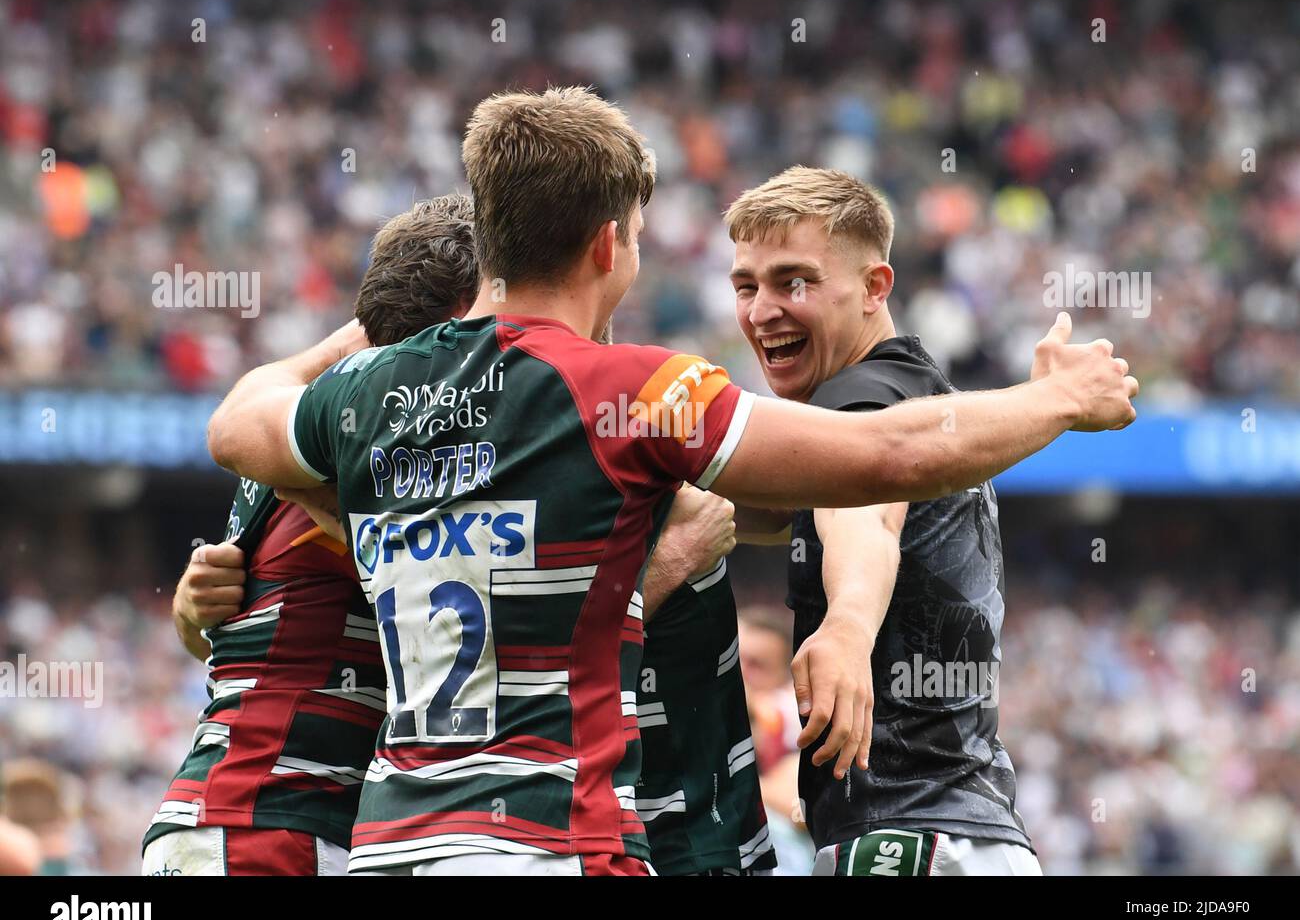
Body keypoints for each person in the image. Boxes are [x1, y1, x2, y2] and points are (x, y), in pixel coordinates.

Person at [204, 86, 1139, 876]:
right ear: (611, 245)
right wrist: (1058, 402)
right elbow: (885, 460)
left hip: (392, 845)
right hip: (553, 838)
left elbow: (236, 424)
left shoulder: (370, 394)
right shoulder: (634, 392)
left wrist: (349, 355)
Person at [143, 197, 479, 875]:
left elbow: (220, 628)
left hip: (256, 821)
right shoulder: (387, 438)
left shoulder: (307, 420)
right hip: (270, 827)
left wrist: (187, 611)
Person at [726, 165, 1042, 875]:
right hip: (968, 834)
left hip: (909, 842)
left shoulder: (861, 400)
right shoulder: (912, 389)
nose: (761, 310)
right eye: (747, 286)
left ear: (875, 287)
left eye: (794, 281)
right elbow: (773, 499)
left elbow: (865, 515)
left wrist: (846, 623)